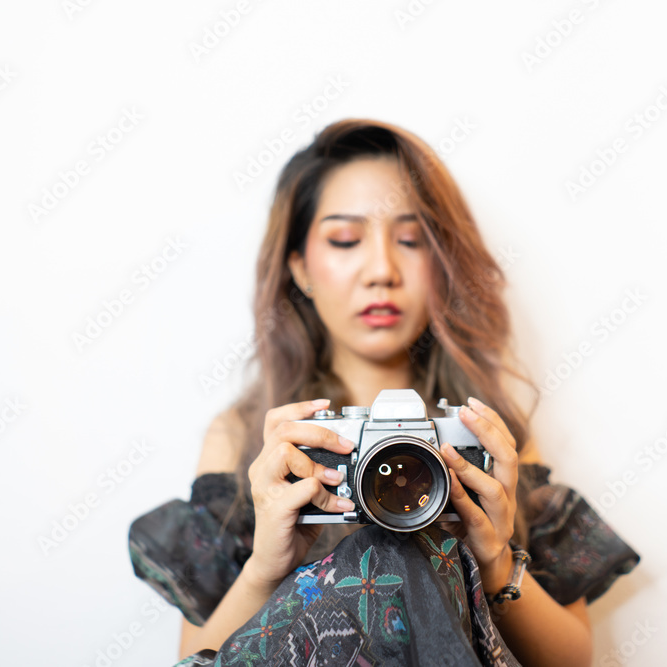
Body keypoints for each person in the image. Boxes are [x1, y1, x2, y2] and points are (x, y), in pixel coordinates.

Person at [128, 119, 640, 666]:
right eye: (346, 240)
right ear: (300, 266)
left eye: (412, 239)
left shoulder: (485, 432)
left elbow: (572, 663)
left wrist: (493, 559)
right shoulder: (251, 433)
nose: (381, 270)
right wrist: (266, 566)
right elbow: (195, 658)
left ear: (441, 262)